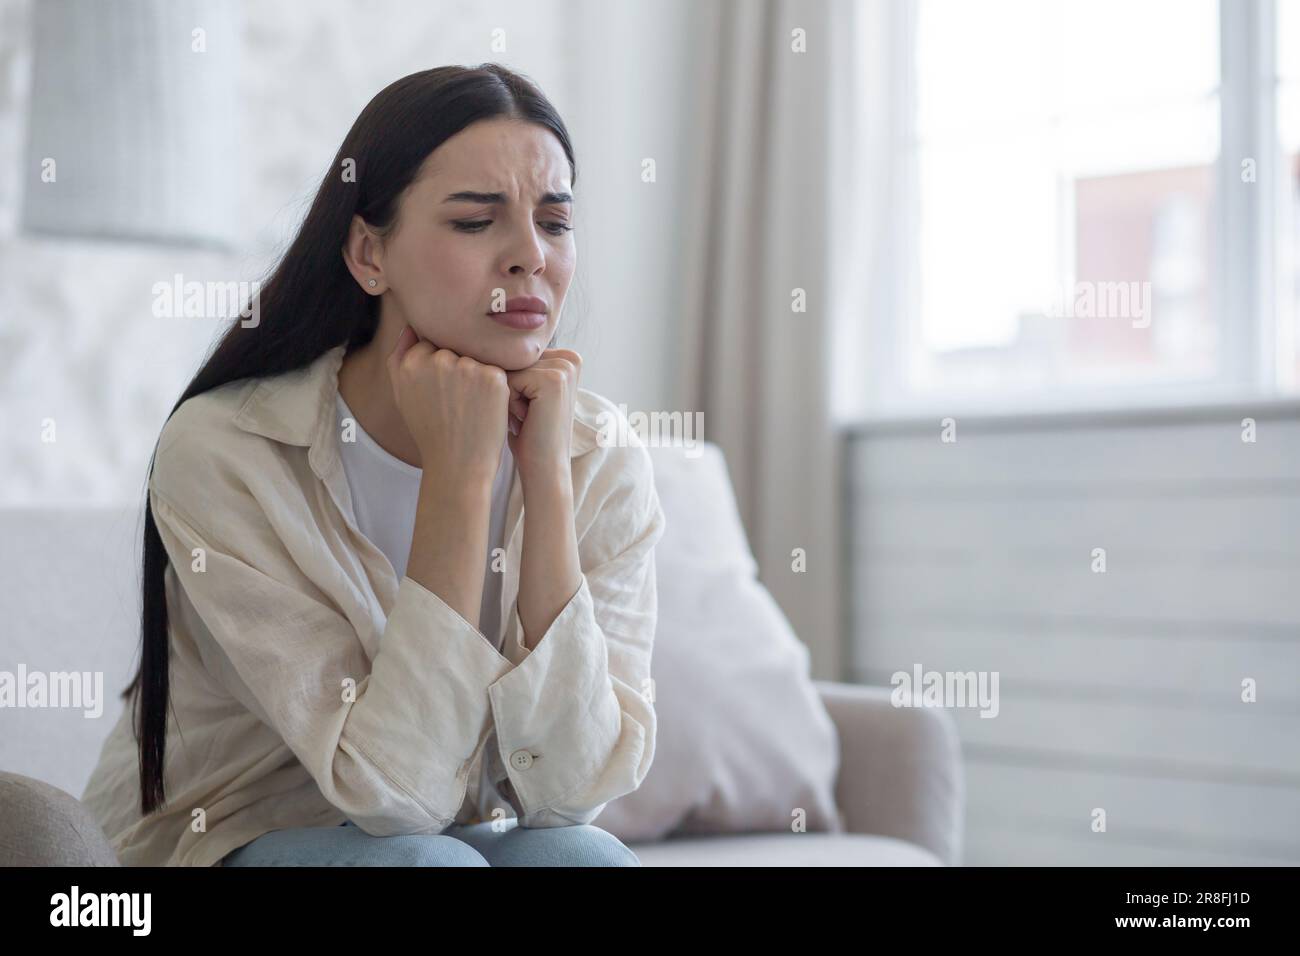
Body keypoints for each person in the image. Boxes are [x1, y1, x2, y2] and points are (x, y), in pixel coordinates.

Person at [81, 63, 664, 867]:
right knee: (428, 865)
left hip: (450, 839)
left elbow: (568, 793)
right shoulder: (228, 451)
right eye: (474, 222)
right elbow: (399, 798)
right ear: (368, 253)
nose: (530, 255)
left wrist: (548, 484)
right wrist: (460, 482)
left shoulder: (598, 453)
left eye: (556, 222)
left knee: (585, 857)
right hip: (237, 835)